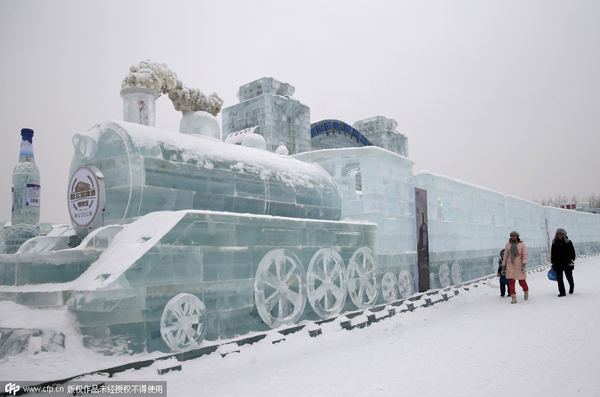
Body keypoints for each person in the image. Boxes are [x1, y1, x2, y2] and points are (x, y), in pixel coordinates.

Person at [501, 231, 529, 304]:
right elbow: (505, 256)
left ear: (517, 236)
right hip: (510, 265)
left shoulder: (521, 244)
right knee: (511, 282)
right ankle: (513, 298)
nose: (513, 237)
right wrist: (503, 266)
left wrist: (524, 264)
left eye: (515, 236)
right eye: (512, 236)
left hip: (519, 265)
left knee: (522, 281)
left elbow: (525, 254)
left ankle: (526, 291)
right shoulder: (508, 245)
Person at [550, 228, 576, 297]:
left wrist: (571, 260)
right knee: (559, 278)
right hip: (558, 263)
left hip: (567, 263)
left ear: (563, 235)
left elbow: (572, 252)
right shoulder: (554, 243)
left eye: (561, 234)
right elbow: (553, 253)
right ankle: (562, 292)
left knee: (569, 277)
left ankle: (571, 286)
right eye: (558, 234)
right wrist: (553, 262)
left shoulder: (568, 242)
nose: (559, 235)